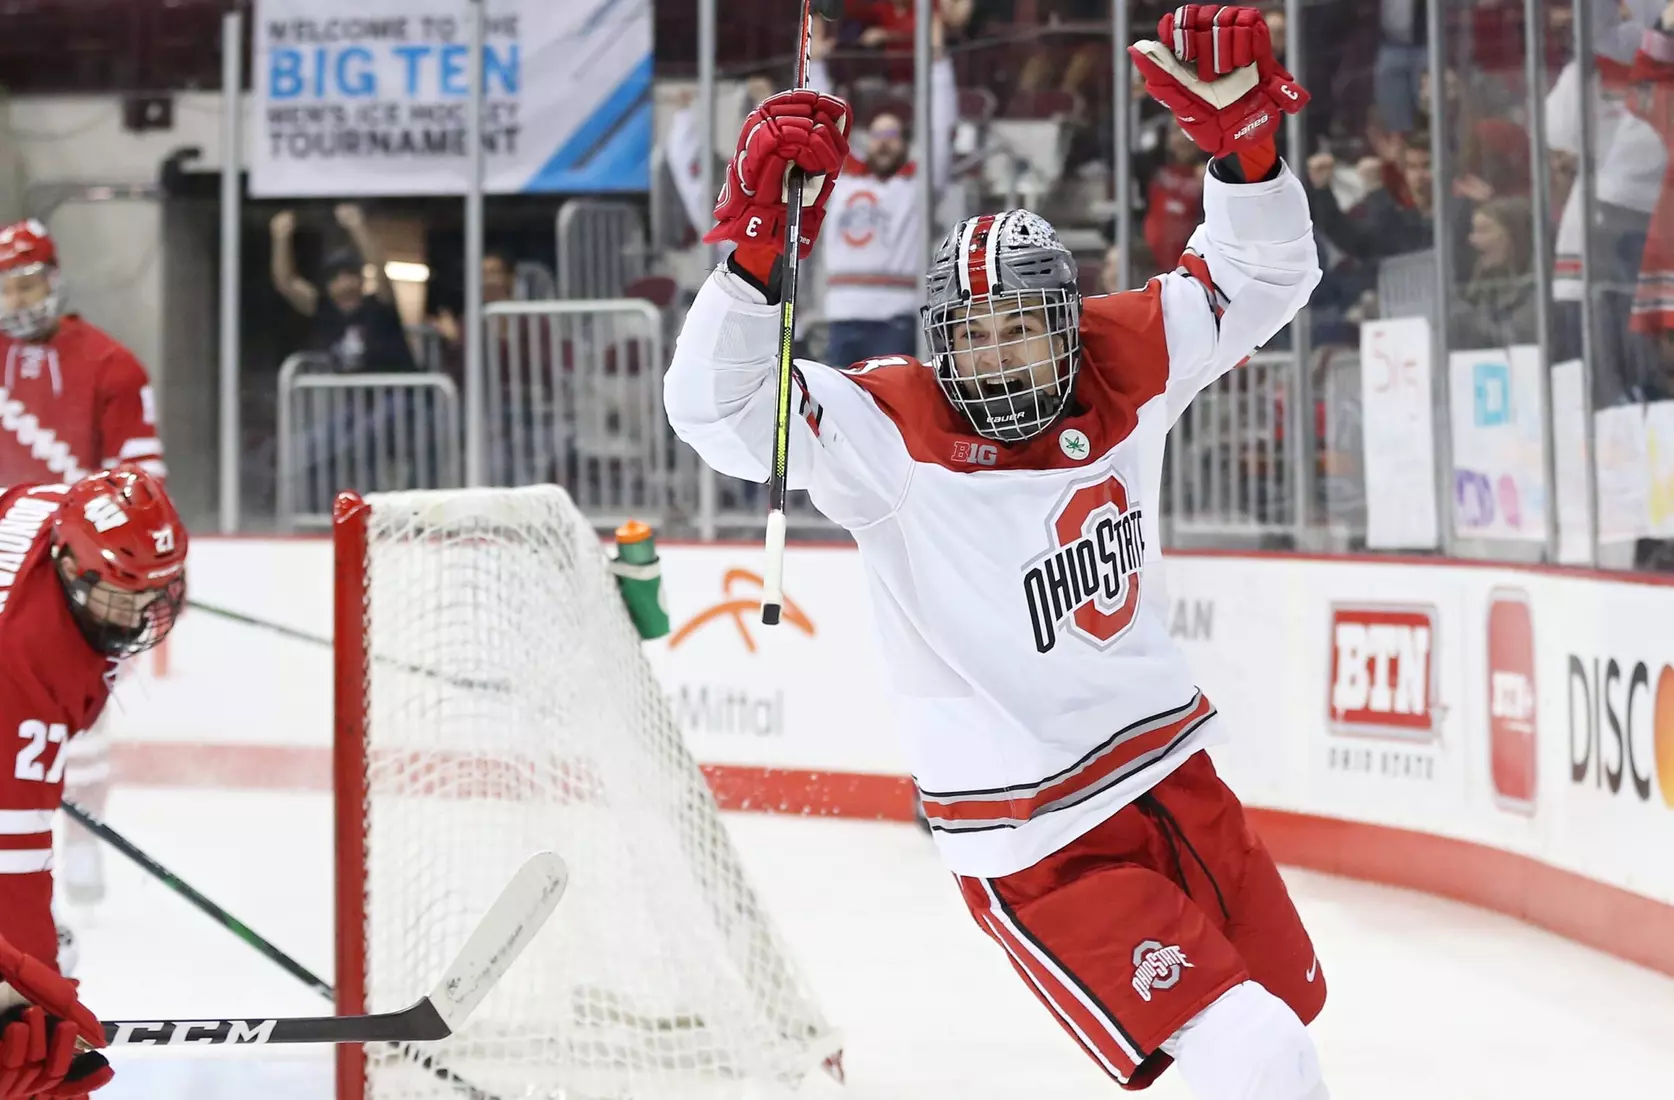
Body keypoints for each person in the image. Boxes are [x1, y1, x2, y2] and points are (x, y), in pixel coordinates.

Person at [669, 7, 1327, 1097]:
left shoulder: (1126, 356)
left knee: (1287, 1017)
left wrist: (1244, 152)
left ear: (1069, 320)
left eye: (1019, 326)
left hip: (1172, 770)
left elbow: (1263, 277)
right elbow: (719, 410)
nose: (995, 351)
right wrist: (751, 255)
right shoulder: (892, 430)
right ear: (936, 337)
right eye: (971, 332)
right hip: (1036, 833)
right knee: (1251, 1049)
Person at [0, 219, 168, 910]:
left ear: (55, 276)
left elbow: (141, 482)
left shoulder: (111, 365)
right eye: (8, 284)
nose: (20, 295)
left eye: (30, 279)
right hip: (4, 564)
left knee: (80, 728)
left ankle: (84, 844)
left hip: (77, 581)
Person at [808, 18, 955, 367]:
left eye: (893, 136)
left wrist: (938, 64)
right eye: (878, 135)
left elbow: (941, 127)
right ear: (866, 141)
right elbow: (822, 124)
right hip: (841, 316)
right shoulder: (842, 181)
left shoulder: (917, 185)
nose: (884, 144)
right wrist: (815, 65)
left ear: (905, 143)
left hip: (895, 319)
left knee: (889, 414)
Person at [269, 204, 417, 374]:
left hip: (398, 396)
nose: (345, 283)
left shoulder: (380, 304)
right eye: (336, 278)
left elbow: (379, 267)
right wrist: (280, 237)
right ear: (328, 286)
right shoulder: (324, 310)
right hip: (349, 398)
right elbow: (286, 282)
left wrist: (357, 226)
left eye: (351, 275)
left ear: (361, 280)